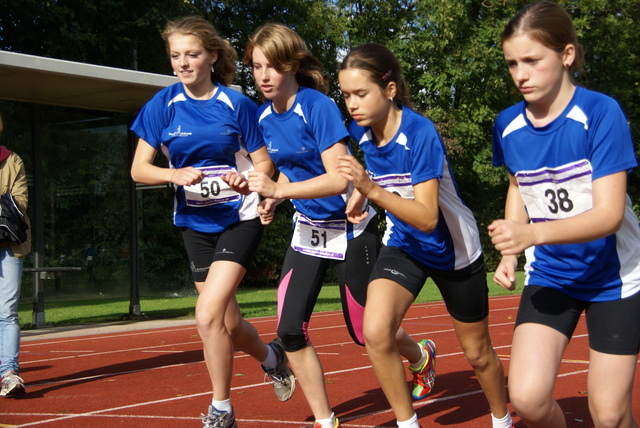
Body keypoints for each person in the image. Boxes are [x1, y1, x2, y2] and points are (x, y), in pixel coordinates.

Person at [243, 24, 435, 428]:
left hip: (349, 230)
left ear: (293, 65)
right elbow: (284, 172)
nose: (262, 76)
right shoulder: (263, 117)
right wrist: (272, 199)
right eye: (256, 66)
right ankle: (325, 420)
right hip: (308, 230)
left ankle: (419, 355)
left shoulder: (317, 106)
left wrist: (282, 188)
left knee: (368, 333)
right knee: (289, 329)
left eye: (272, 67)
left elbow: (337, 178)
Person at [129, 16, 295, 428]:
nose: (183, 63)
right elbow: (138, 169)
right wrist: (172, 175)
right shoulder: (161, 105)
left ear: (212, 56)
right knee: (229, 321)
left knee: (206, 316)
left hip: (239, 218)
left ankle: (221, 408)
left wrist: (247, 180)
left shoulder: (236, 104)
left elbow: (264, 162)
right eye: (175, 56)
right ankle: (273, 358)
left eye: (192, 54)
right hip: (193, 223)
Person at [336, 43, 512, 428]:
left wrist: (371, 191)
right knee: (376, 331)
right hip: (404, 245)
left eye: (361, 94)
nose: (352, 104)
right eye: (346, 94)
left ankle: (502, 420)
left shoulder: (420, 133)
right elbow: (374, 185)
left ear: (390, 90)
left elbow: (429, 217)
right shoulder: (359, 131)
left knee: (478, 353)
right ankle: (407, 423)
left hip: (453, 251)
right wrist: (356, 197)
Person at [489, 2, 640, 427]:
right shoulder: (508, 124)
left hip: (616, 276)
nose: (520, 74)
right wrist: (509, 253)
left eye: (533, 61)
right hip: (553, 274)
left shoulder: (600, 113)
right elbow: (519, 183)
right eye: (512, 63)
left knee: (610, 415)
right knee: (528, 398)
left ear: (567, 55)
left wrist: (532, 237)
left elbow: (609, 214)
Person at [0, 112, 31, 397]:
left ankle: (9, 373)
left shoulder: (13, 160)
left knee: (7, 311)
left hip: (9, 245)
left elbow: (19, 200)